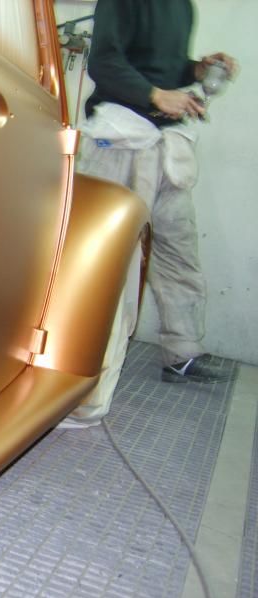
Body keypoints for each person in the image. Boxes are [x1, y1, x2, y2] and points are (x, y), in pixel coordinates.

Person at [61, 0, 237, 428]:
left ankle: (182, 352)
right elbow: (105, 63)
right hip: (120, 143)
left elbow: (162, 67)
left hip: (165, 143)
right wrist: (156, 95)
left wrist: (195, 70)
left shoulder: (182, 7)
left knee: (178, 252)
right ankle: (81, 384)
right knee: (108, 268)